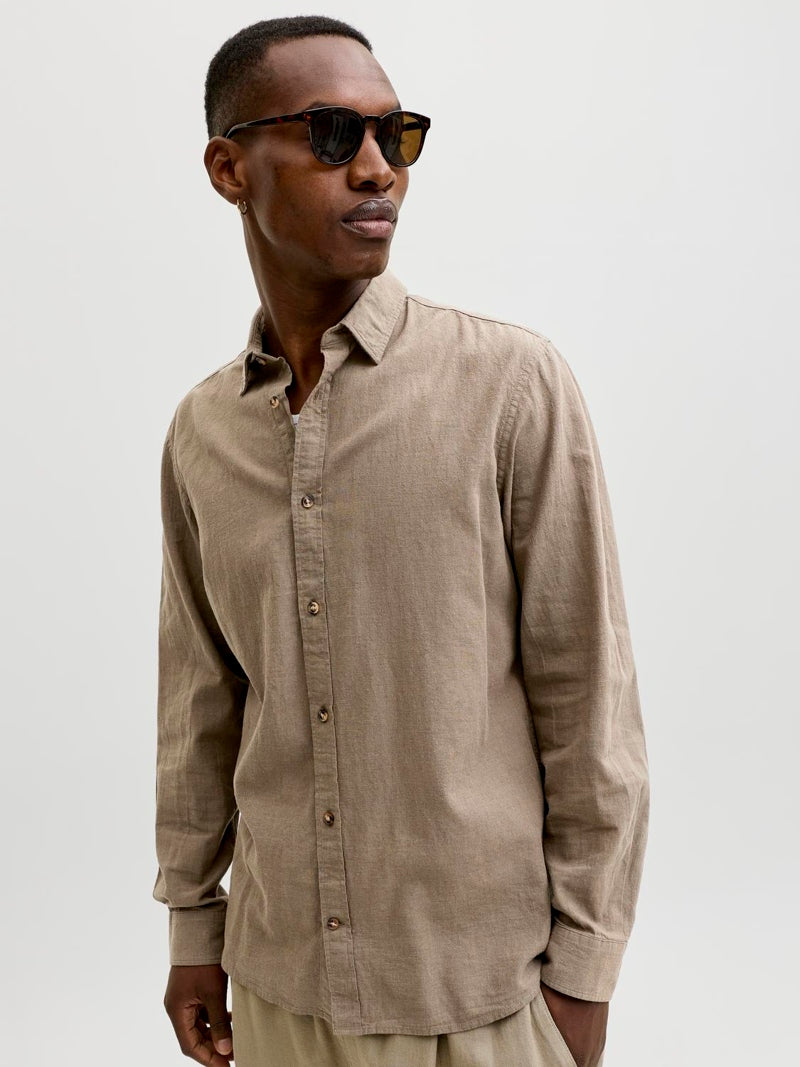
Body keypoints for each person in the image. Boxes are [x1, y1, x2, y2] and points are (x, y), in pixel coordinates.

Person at [153, 15, 650, 1067]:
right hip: (279, 985)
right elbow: (200, 701)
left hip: (478, 994)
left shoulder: (509, 386)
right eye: (332, 134)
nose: (378, 169)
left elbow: (587, 703)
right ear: (229, 168)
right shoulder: (203, 432)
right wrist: (195, 929)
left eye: (397, 134)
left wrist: (584, 975)